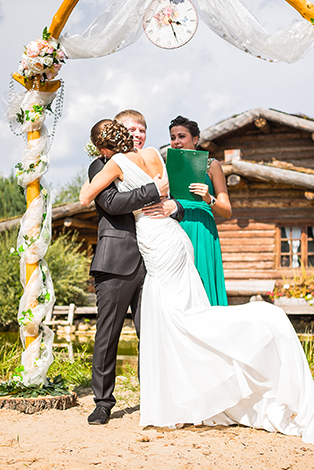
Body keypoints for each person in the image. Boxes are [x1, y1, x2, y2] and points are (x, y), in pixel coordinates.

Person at [80, 120, 314, 445]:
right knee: (178, 313)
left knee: (176, 318)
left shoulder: (115, 163)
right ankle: (159, 395)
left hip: (156, 241)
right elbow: (126, 201)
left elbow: (86, 197)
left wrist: (162, 199)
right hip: (168, 241)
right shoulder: (153, 155)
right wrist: (155, 193)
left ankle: (181, 394)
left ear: (104, 146)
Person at [86, 115, 184, 426]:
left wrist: (174, 206)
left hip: (154, 261)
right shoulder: (101, 165)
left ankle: (152, 396)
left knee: (152, 332)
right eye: (131, 129)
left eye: (142, 129)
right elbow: (112, 203)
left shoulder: (152, 159)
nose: (138, 134)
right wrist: (152, 191)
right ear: (117, 134)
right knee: (108, 334)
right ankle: (103, 402)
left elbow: (172, 198)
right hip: (117, 261)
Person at [169, 116, 230, 306]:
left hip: (202, 227)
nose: (176, 142)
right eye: (173, 137)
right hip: (175, 225)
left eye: (182, 136)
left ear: (195, 139)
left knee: (202, 275)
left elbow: (227, 211)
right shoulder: (167, 166)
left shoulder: (212, 165)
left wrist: (208, 198)